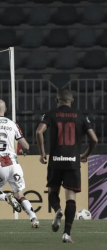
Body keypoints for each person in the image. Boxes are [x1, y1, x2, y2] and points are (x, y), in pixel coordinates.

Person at [36, 89, 97, 243]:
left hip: (55, 160)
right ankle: (66, 234)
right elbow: (94, 139)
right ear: (72, 101)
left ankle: (57, 210)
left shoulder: (50, 114)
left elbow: (39, 132)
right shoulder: (80, 116)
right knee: (71, 197)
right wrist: (85, 154)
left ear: (57, 101)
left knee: (52, 192)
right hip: (72, 161)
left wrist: (42, 153)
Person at [0, 99, 40, 228]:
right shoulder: (13, 124)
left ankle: (6, 197)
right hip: (14, 164)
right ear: (5, 110)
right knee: (19, 194)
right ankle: (34, 218)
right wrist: (25, 150)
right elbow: (26, 145)